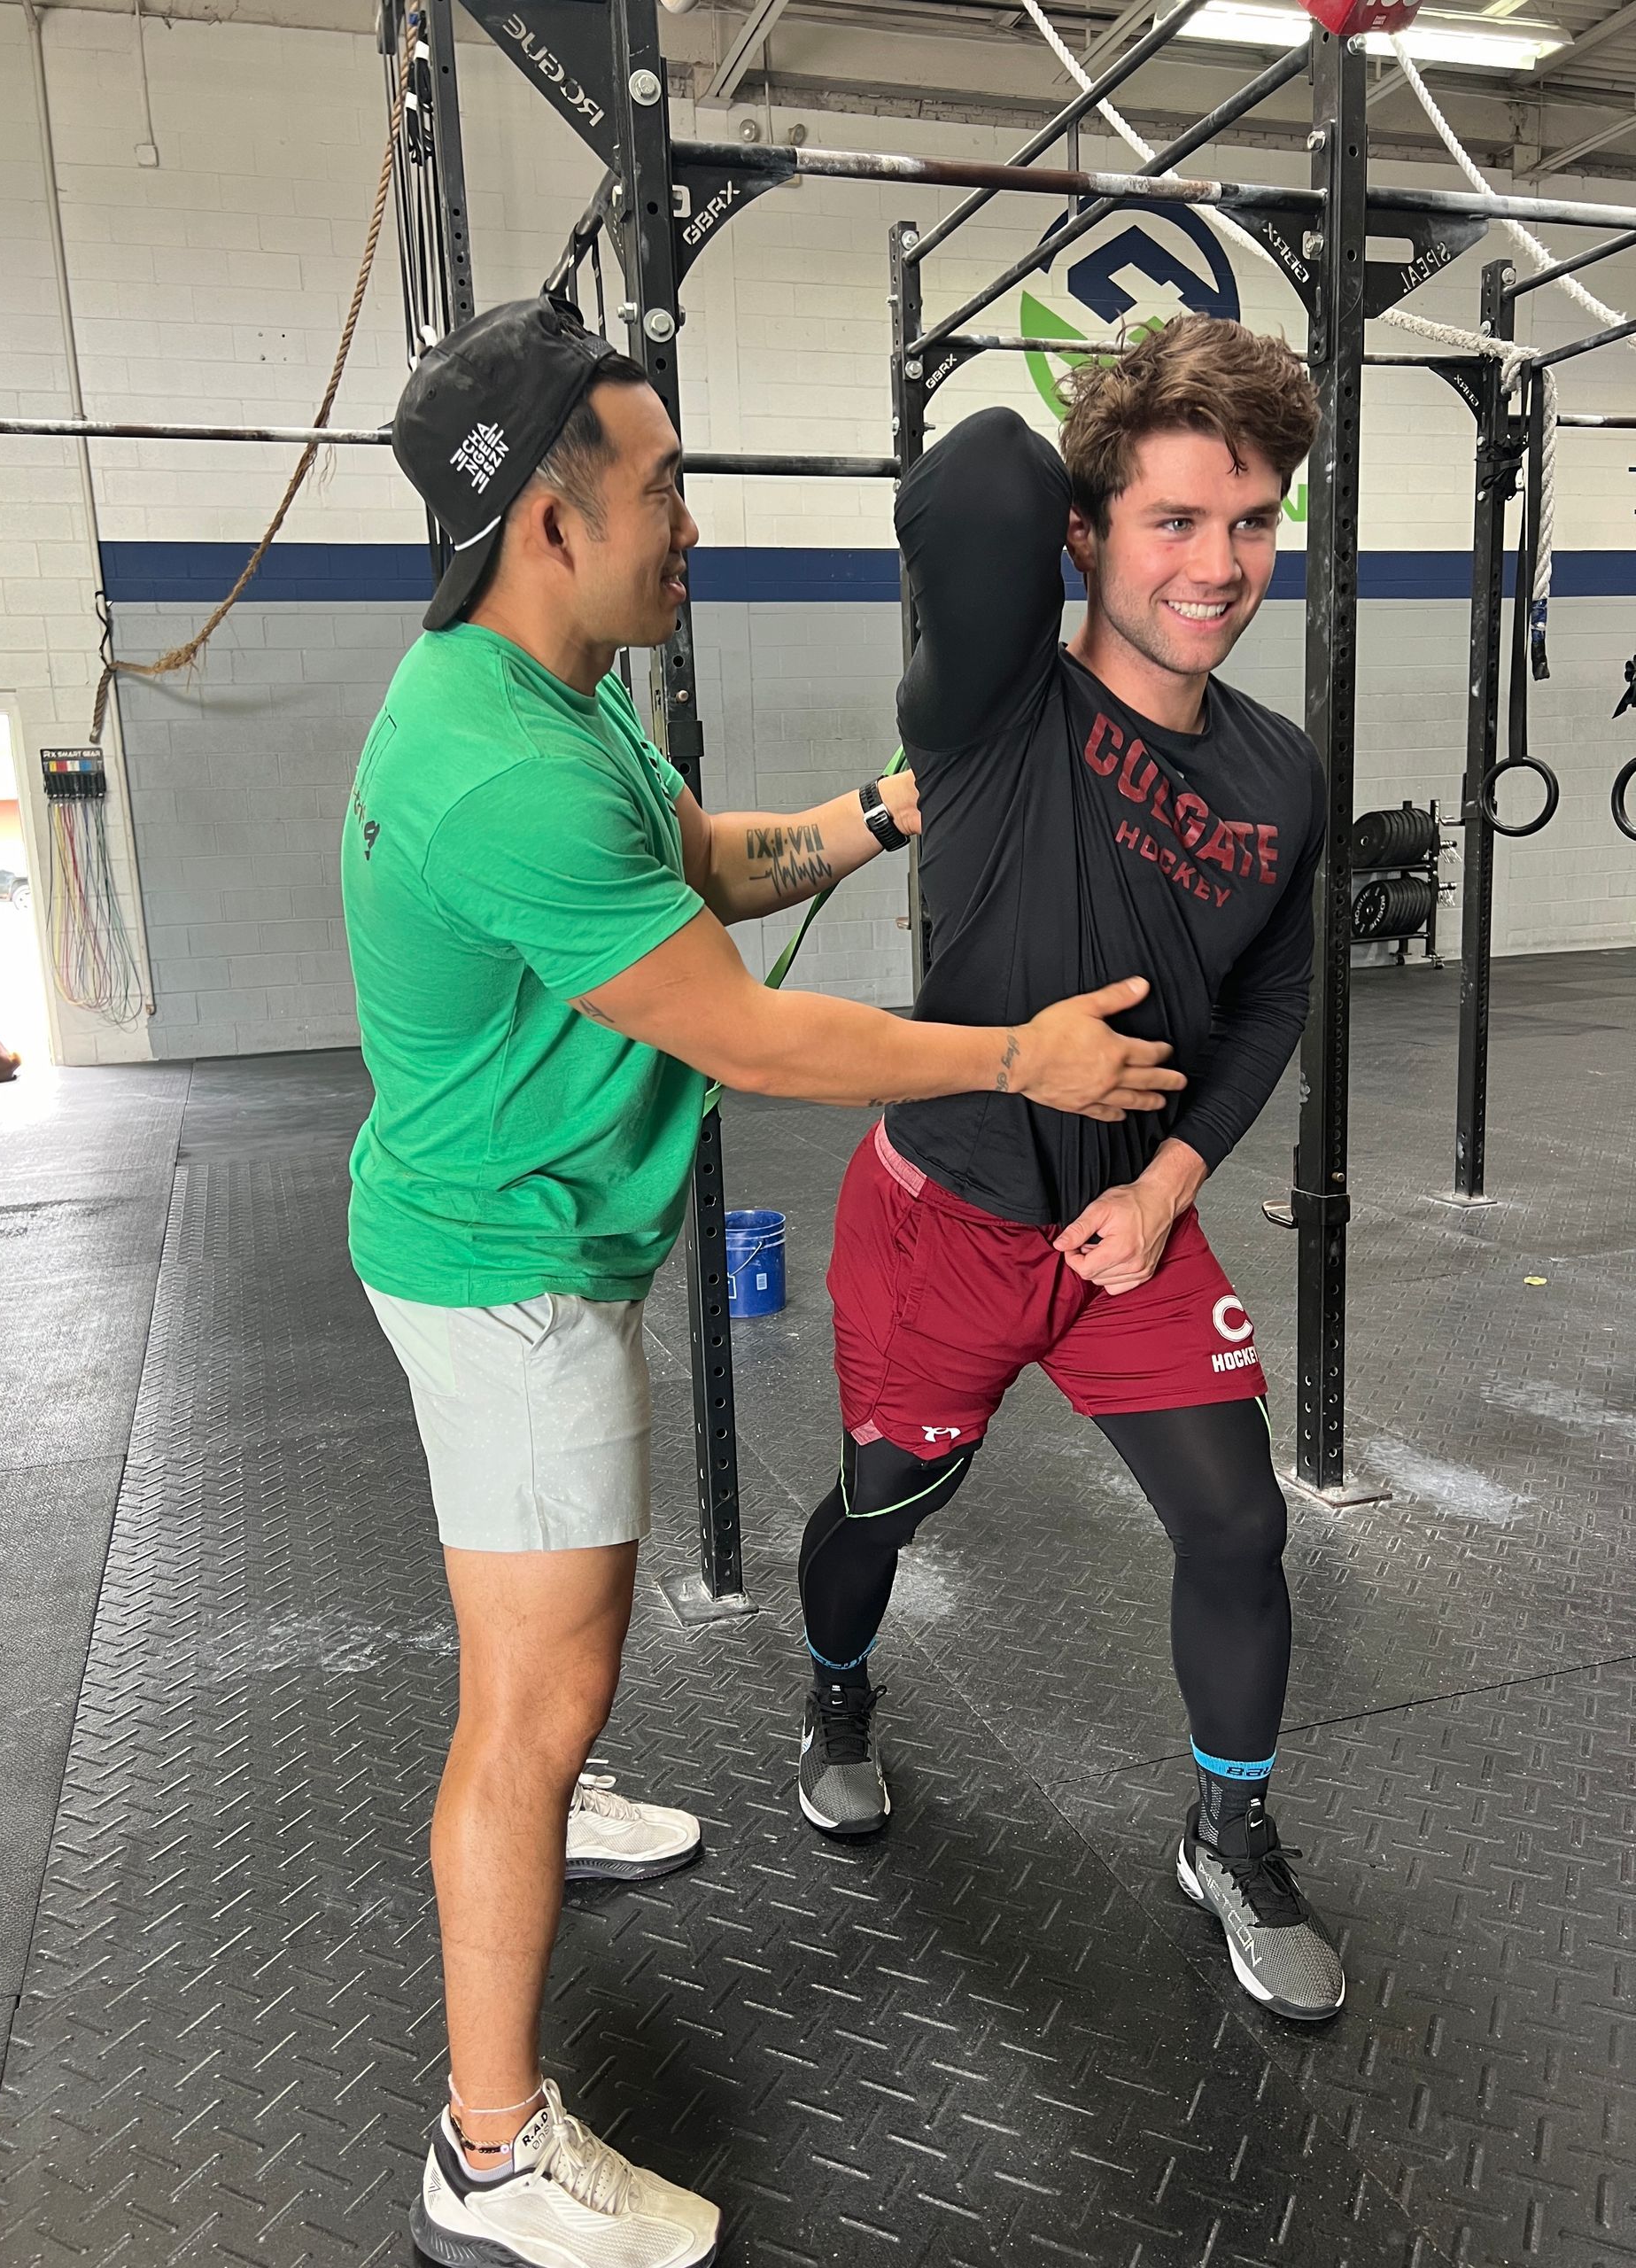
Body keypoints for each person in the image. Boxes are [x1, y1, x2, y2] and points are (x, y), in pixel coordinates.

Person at [341, 293, 1186, 2268]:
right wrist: (1016, 1054)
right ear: (548, 522)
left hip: (510, 1228)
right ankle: (489, 2145)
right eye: (662, 489)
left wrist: (892, 805)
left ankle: (561, 1791)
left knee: (547, 1667)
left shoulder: (542, 694)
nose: (693, 525)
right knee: (534, 1691)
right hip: (508, 1269)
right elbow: (748, 1037)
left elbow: (699, 861)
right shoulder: (502, 767)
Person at [793, 314, 1344, 2026]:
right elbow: (972, 483)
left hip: (1128, 1231)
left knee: (1241, 1523)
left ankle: (1229, 1830)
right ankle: (837, 1695)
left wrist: (1175, 1179)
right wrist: (1118, 418)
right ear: (1088, 534)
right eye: (1175, 520)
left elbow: (1269, 1004)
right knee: (891, 1502)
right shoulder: (988, 708)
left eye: (1252, 523)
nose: (1221, 564)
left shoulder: (1277, 772)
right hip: (944, 1212)